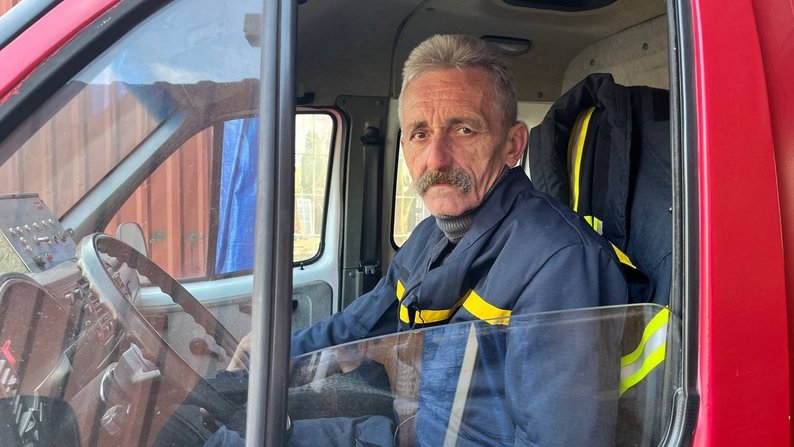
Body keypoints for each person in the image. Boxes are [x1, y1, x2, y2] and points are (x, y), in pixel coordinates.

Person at [208, 34, 629, 446]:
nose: (436, 159)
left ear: (513, 145)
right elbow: (357, 327)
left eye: (463, 129)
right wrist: (268, 360)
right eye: (420, 133)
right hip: (404, 432)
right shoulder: (430, 235)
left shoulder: (560, 263)